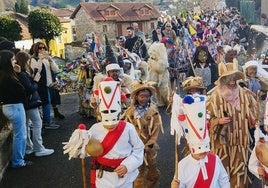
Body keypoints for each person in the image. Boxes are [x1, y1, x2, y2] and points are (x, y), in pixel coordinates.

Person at [63, 78, 144, 188]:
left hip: (124, 176)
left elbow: (139, 149)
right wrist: (80, 142)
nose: (110, 125)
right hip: (103, 177)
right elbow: (86, 152)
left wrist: (128, 165)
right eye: (106, 114)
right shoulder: (95, 129)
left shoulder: (128, 128)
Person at [206, 60, 258, 187]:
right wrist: (217, 121)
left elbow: (254, 117)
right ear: (223, 79)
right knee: (222, 171)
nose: (232, 81)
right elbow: (206, 120)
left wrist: (255, 99)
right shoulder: (214, 97)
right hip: (221, 143)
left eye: (234, 77)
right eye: (229, 78)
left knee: (239, 172)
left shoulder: (244, 94)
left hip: (240, 142)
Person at [170, 94, 230, 188]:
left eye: (205, 149)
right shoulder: (183, 165)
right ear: (191, 147)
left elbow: (224, 180)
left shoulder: (215, 159)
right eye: (199, 149)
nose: (203, 153)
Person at [122, 80, 162, 188]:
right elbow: (125, 128)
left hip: (149, 147)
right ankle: (138, 185)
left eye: (147, 96)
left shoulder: (153, 112)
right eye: (141, 96)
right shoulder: (130, 113)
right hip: (135, 148)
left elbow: (156, 129)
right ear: (136, 97)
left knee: (152, 166)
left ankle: (152, 184)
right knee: (138, 169)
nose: (144, 99)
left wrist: (150, 143)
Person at [15, 51, 55, 157]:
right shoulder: (23, 74)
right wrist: (36, 81)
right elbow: (30, 88)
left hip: (24, 103)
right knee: (37, 123)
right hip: (31, 102)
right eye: (28, 60)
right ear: (25, 61)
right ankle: (39, 148)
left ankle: (29, 147)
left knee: (27, 125)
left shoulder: (18, 73)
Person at [0, 50, 31, 168]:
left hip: (9, 106)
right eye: (13, 60)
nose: (15, 61)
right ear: (8, 62)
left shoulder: (4, 75)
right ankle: (18, 161)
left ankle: (19, 159)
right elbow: (22, 91)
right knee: (20, 135)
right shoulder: (8, 78)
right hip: (15, 106)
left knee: (19, 134)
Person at [30, 42, 60, 129]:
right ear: (36, 49)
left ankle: (47, 121)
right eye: (40, 48)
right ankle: (47, 122)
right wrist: (40, 59)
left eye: (44, 48)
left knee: (48, 102)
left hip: (50, 84)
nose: (42, 49)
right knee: (45, 103)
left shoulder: (47, 59)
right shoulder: (33, 59)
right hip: (41, 84)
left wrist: (51, 60)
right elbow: (36, 71)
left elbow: (56, 70)